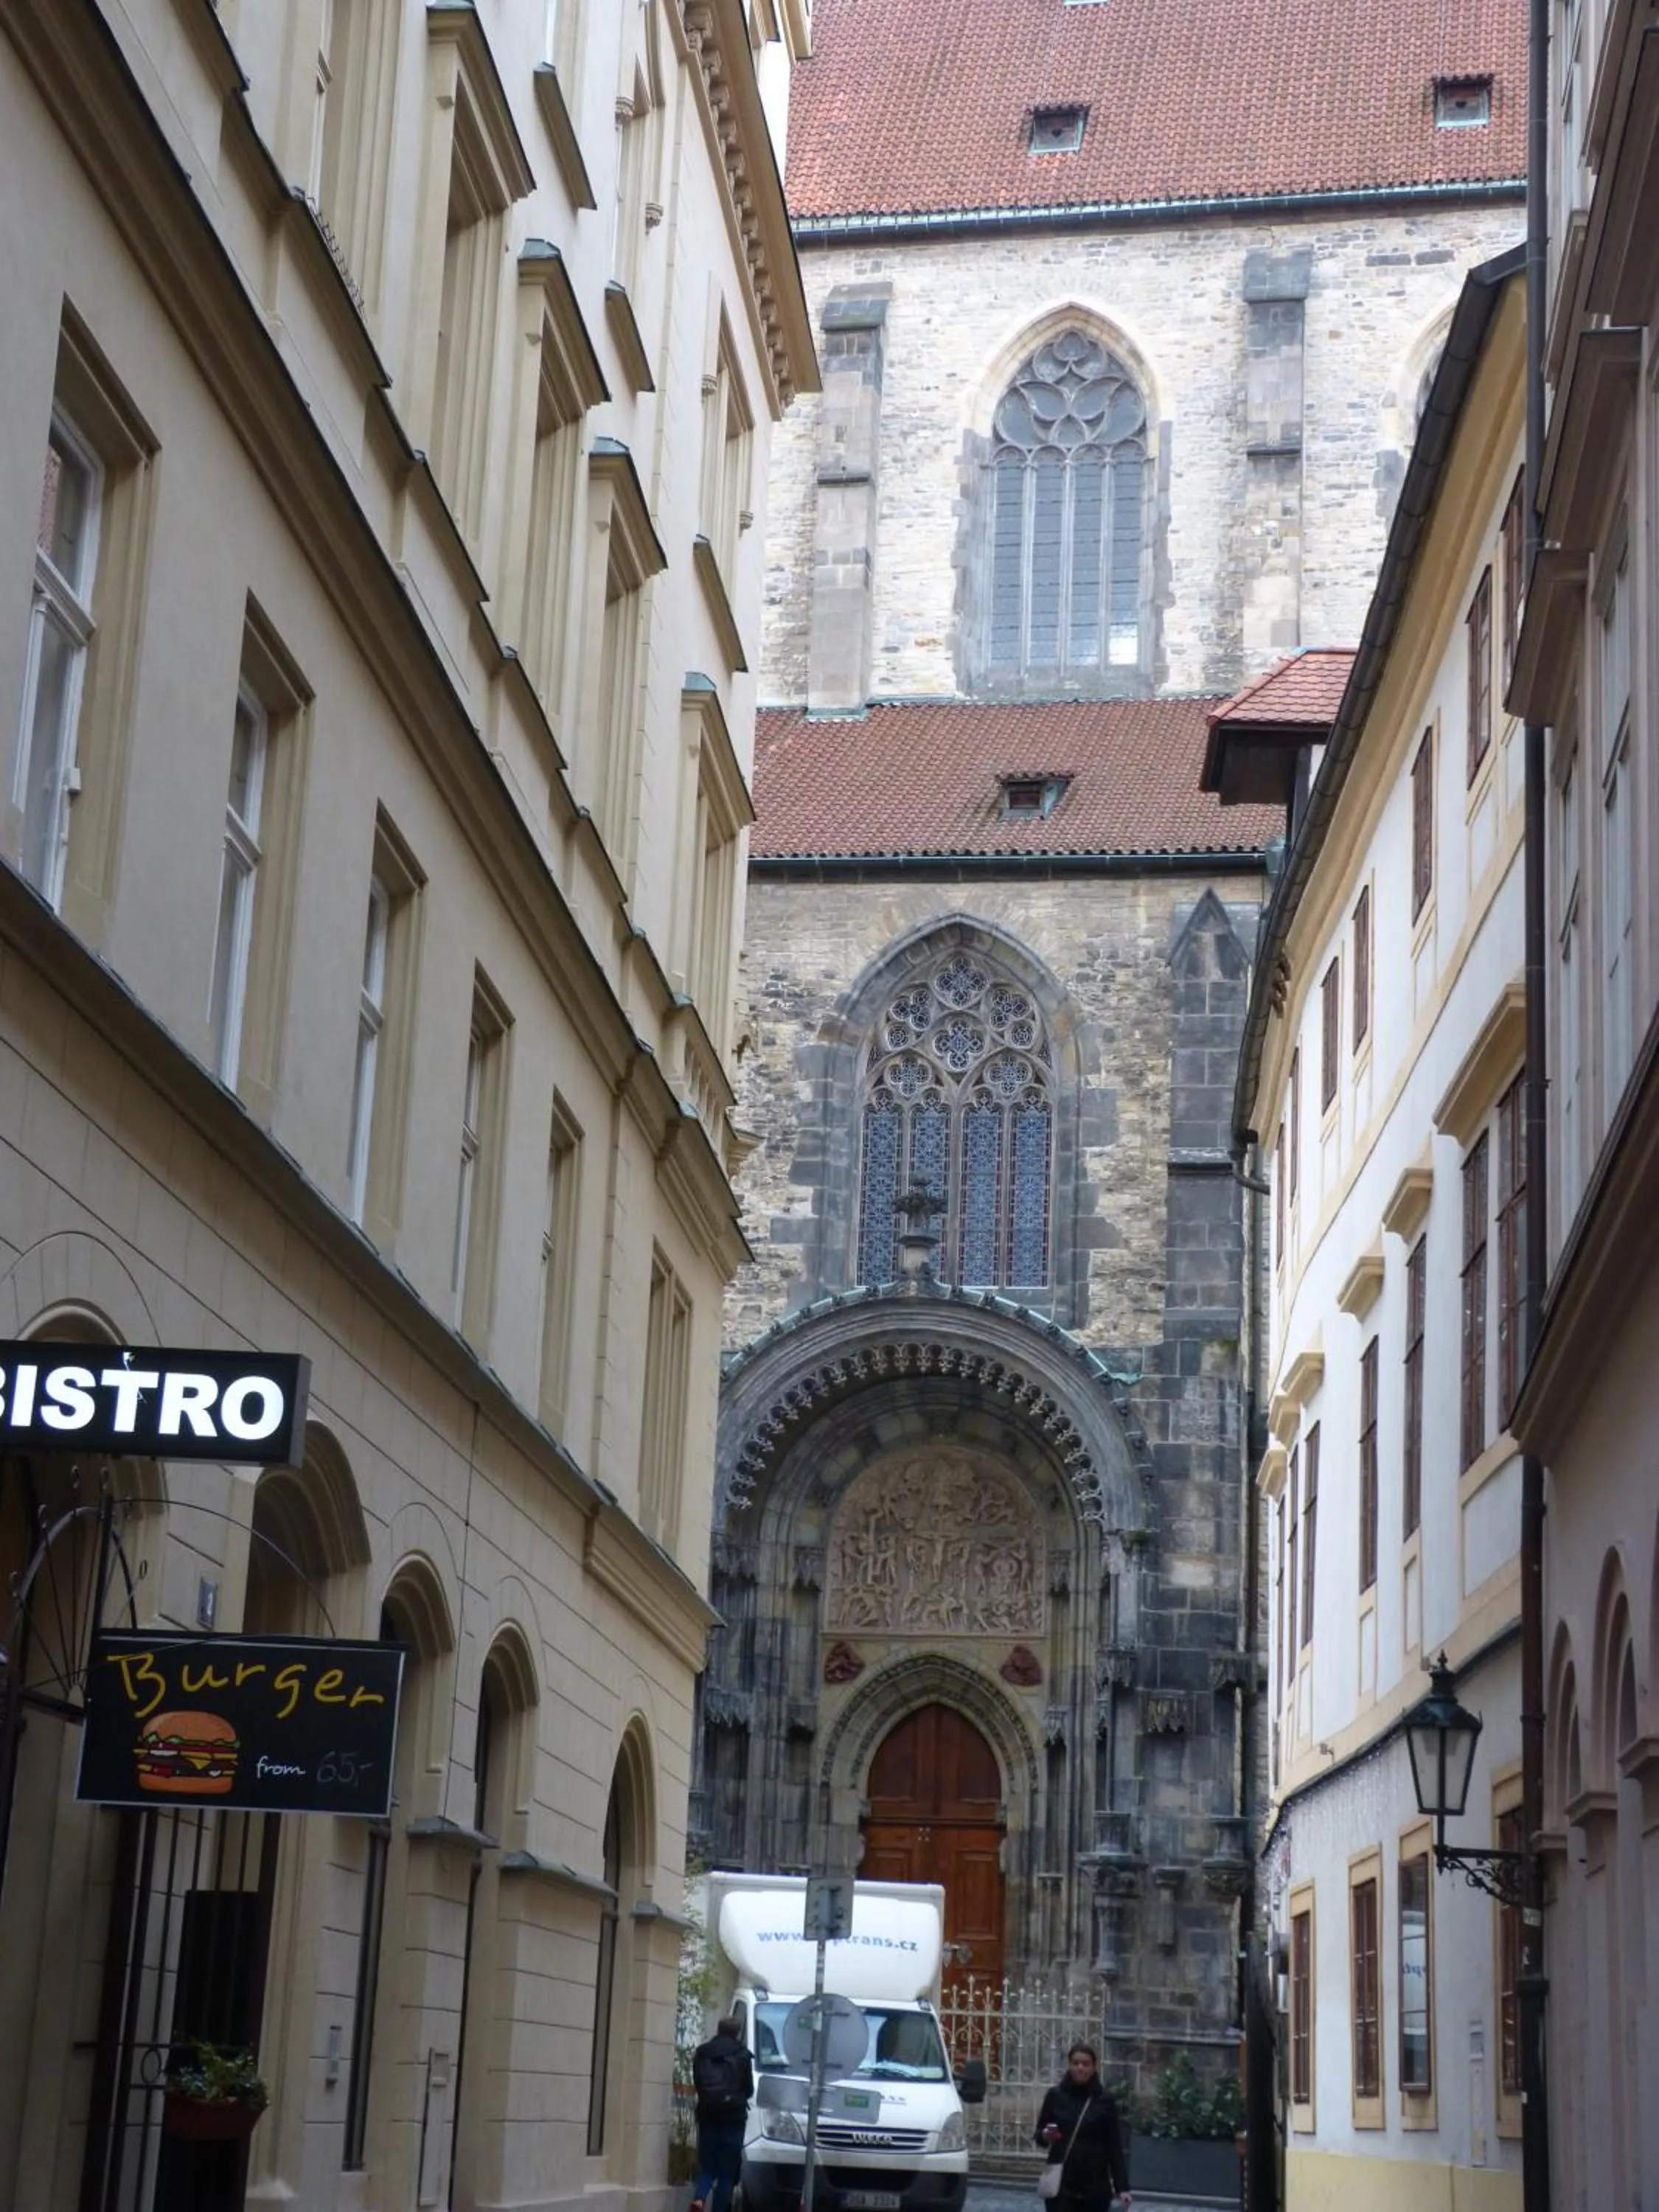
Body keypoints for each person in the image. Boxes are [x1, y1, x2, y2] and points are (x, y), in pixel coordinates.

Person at [1034, 2042, 1132, 2208]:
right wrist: (1045, 2135)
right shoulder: (1055, 2096)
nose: (1080, 2068)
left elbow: (1114, 2146)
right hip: (1062, 2185)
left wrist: (1122, 2187)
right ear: (1069, 2066)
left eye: (1085, 2064)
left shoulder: (1105, 2101)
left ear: (1094, 2067)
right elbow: (1039, 2136)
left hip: (1095, 2186)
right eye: (1076, 2063)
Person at [689, 2014, 754, 2212]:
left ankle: (699, 2198)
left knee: (708, 2165)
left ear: (718, 2030)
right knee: (727, 2172)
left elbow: (698, 2084)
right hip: (734, 2120)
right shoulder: (742, 2055)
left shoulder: (703, 2053)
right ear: (738, 2033)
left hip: (708, 2117)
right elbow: (749, 2089)